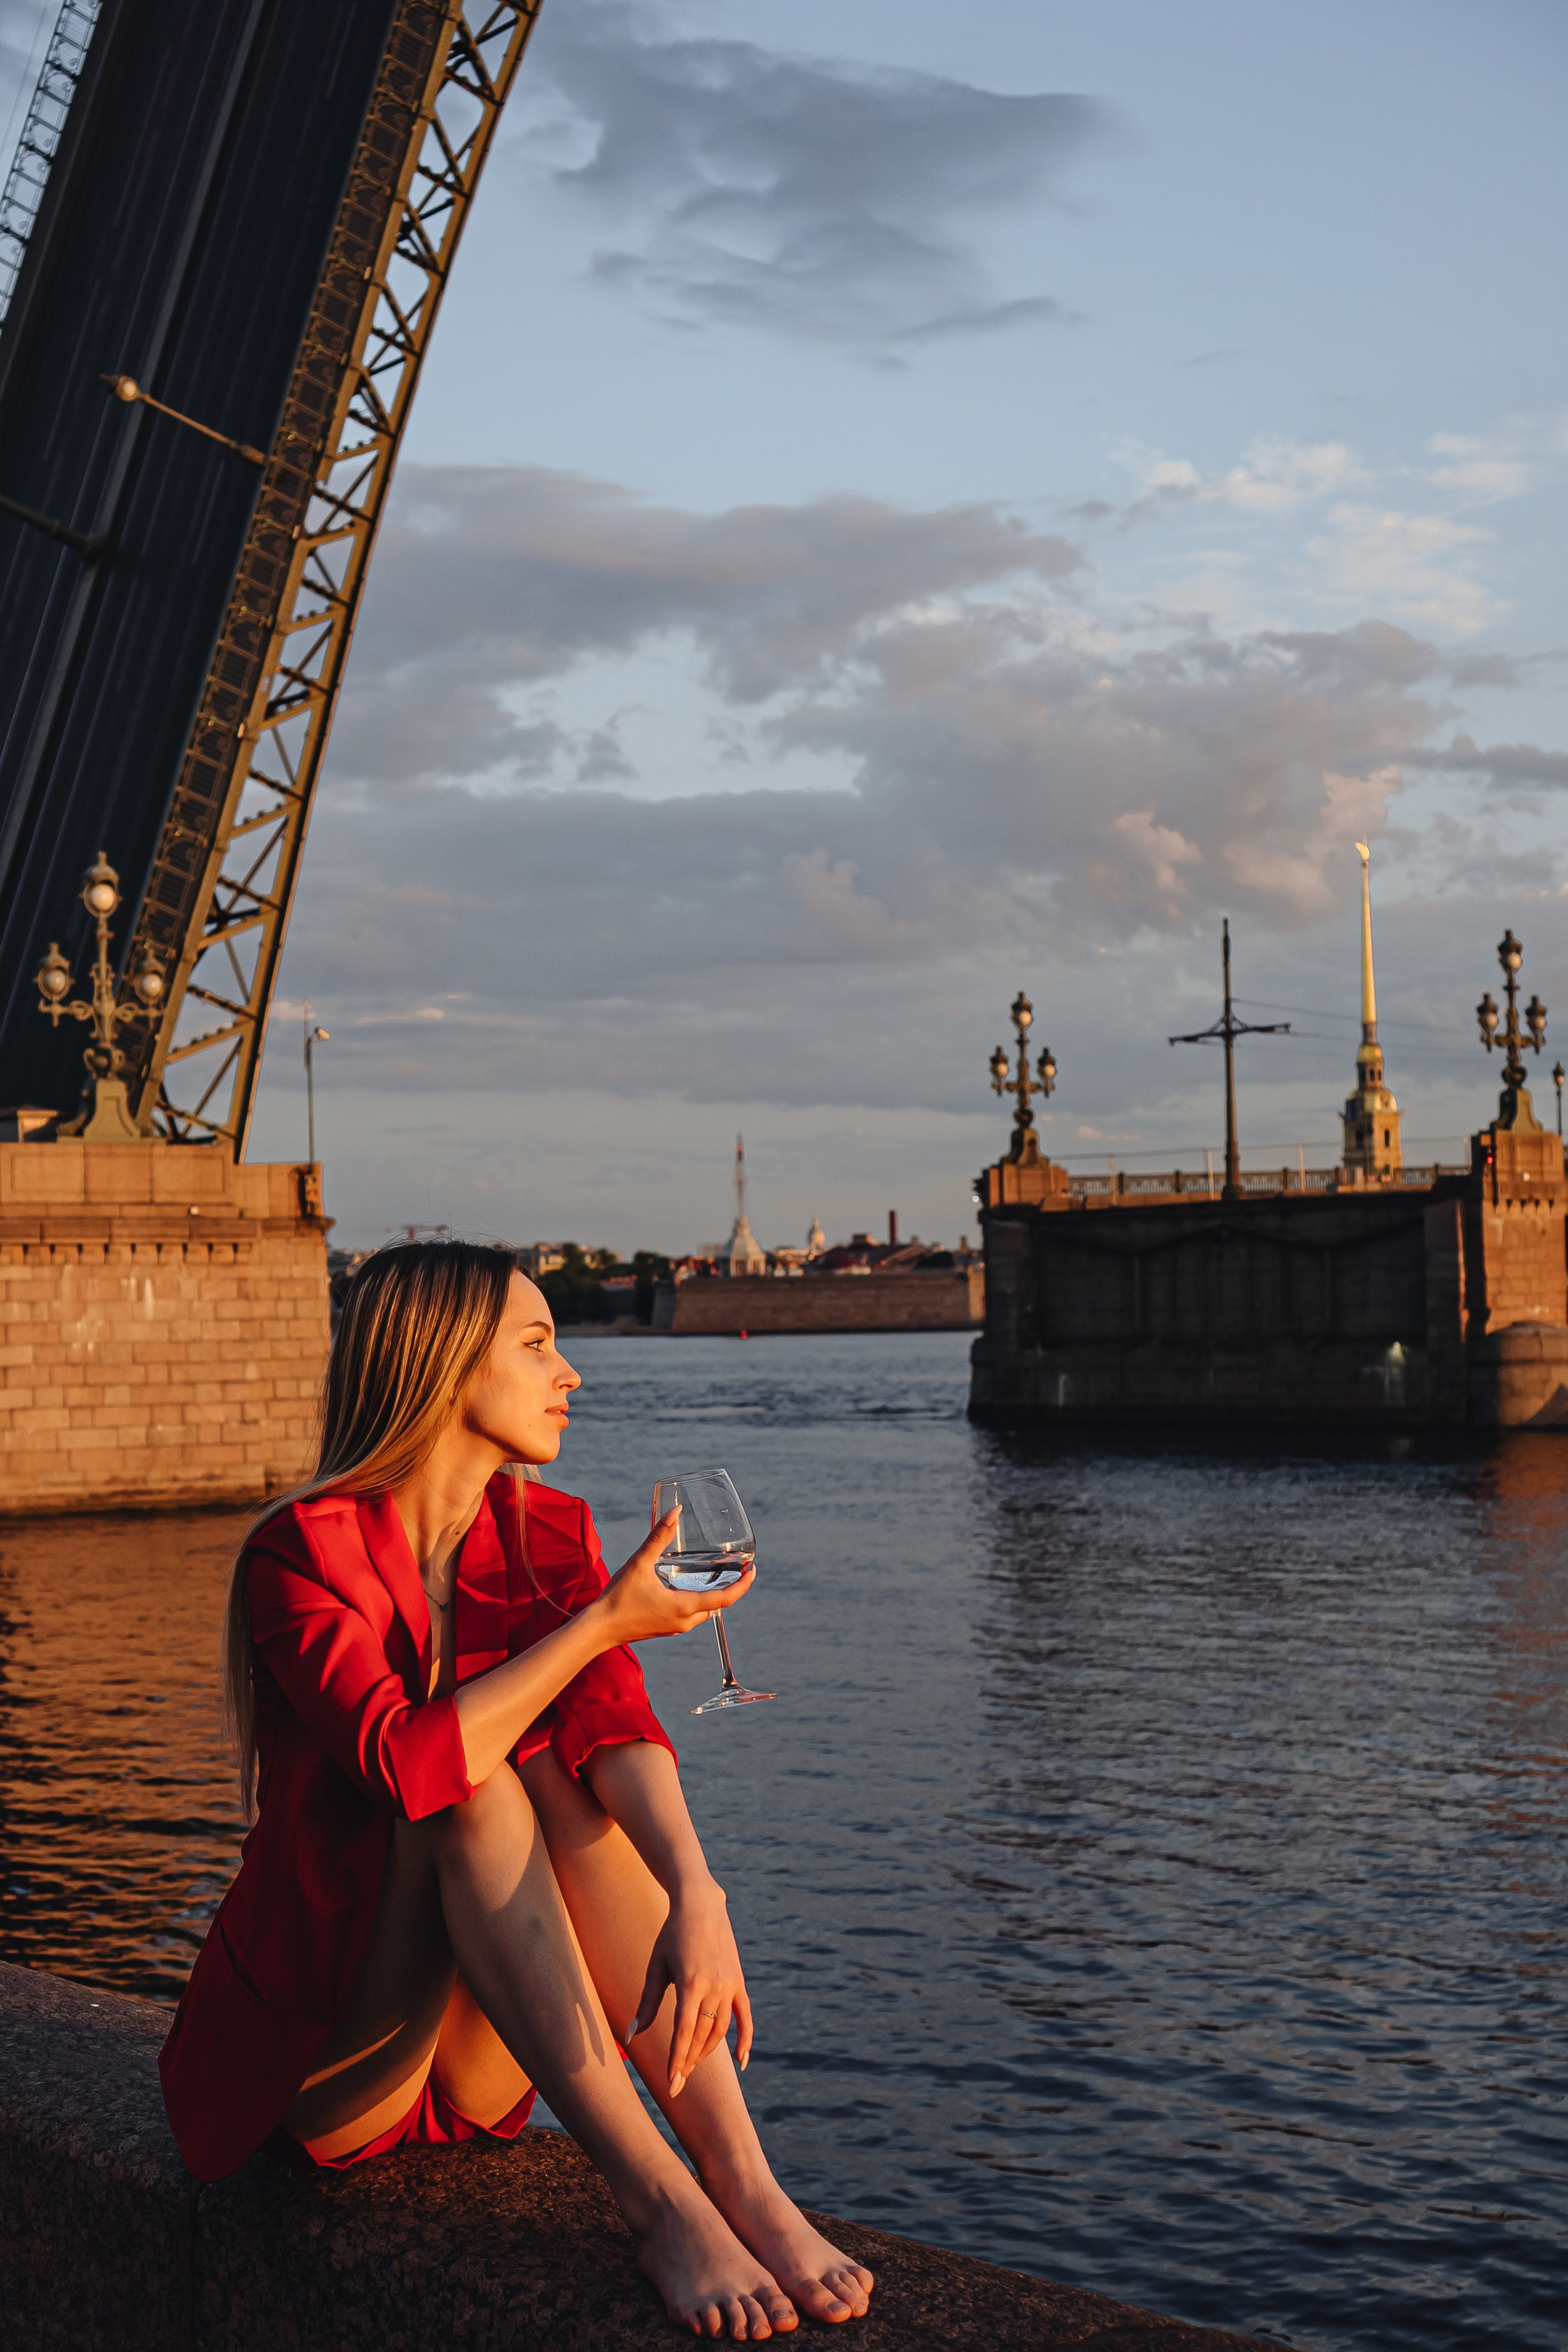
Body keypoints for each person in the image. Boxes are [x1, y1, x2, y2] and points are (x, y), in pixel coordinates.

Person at [160, 1239, 873, 2342]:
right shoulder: (300, 1554)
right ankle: (662, 2207)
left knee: (559, 1772)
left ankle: (749, 2188)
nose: (569, 1372)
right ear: (444, 1365)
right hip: (336, 2056)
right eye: (537, 1345)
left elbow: (615, 1729)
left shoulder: (543, 1534)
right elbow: (400, 1763)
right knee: (476, 1787)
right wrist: (603, 1621)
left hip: (487, 2057)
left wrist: (699, 1891)